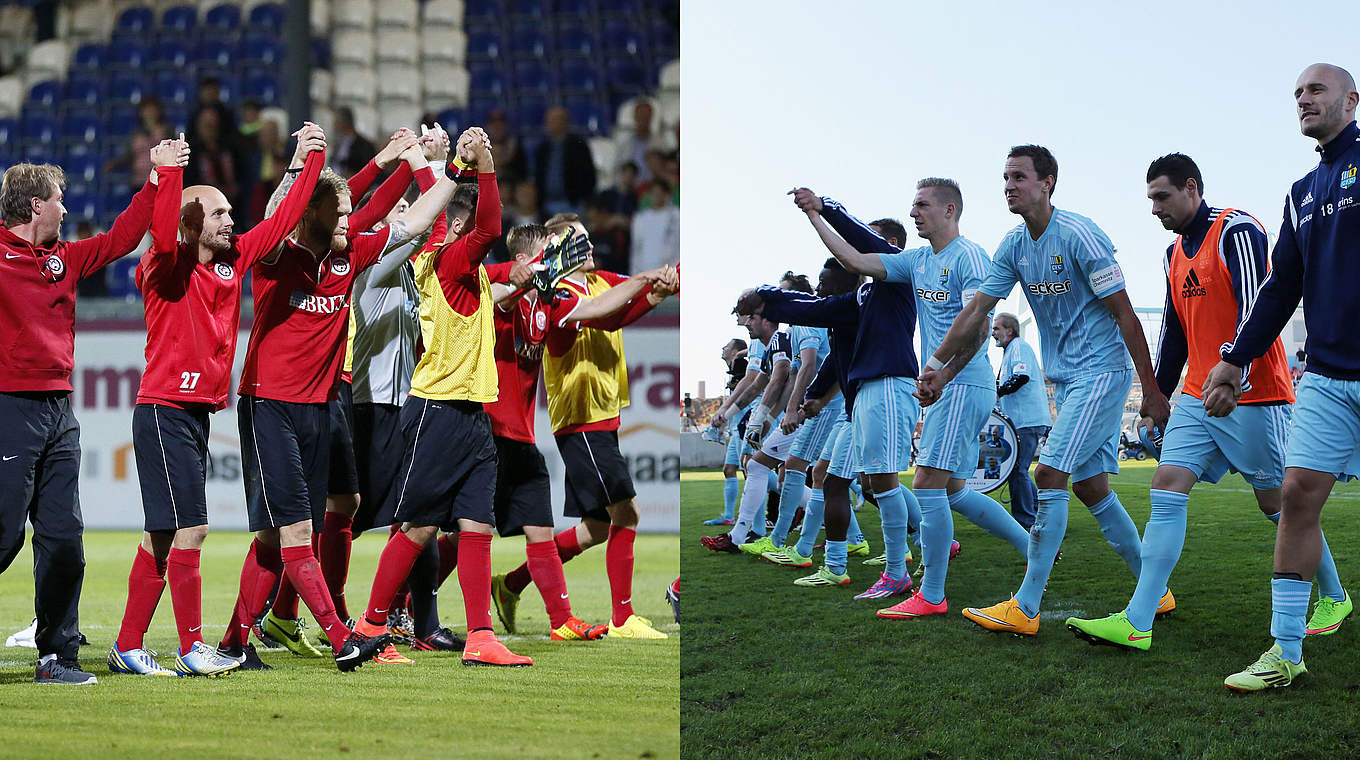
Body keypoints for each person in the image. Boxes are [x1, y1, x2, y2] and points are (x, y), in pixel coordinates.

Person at [1067, 152, 1348, 653]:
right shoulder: (1173, 254)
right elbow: (1174, 331)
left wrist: (1233, 375)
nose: (1154, 208)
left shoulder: (1237, 231)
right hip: (1198, 395)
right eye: (1150, 198)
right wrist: (1158, 393)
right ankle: (1138, 619)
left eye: (1162, 196)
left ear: (1192, 188)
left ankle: (1334, 594)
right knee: (1166, 485)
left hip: (1254, 394)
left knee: (1280, 504)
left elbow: (1257, 305)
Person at [222, 128, 463, 672]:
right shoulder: (276, 259)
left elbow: (414, 222)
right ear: (312, 214)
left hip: (318, 406)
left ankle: (236, 644)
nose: (353, 218)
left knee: (272, 538)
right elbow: (285, 212)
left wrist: (448, 171)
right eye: (341, 209)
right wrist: (305, 160)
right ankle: (341, 636)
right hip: (269, 406)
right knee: (296, 532)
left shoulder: (347, 256)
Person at [916, 144, 1170, 636]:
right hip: (1067, 380)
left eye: (1018, 177)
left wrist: (1155, 392)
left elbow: (1124, 314)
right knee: (1091, 486)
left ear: (1047, 182)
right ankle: (1155, 590)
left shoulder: (1079, 235)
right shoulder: (1012, 245)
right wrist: (936, 364)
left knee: (1048, 473)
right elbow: (974, 313)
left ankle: (1026, 606)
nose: (1009, 186)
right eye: (1005, 178)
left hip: (1101, 371)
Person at [108, 127, 328, 678]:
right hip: (164, 409)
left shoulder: (230, 263)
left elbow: (280, 223)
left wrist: (310, 159)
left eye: (231, 211)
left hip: (194, 412)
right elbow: (161, 234)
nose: (231, 220)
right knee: (192, 528)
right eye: (219, 214)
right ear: (190, 222)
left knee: (161, 533)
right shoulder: (163, 266)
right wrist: (171, 174)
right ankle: (189, 647)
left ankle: (128, 646)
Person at [801, 179, 1032, 616]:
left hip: (963, 383)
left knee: (925, 483)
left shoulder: (969, 257)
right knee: (955, 492)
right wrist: (816, 216)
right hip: (943, 383)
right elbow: (853, 258)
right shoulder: (917, 260)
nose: (913, 214)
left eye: (922, 205)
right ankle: (1032, 546)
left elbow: (979, 326)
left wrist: (944, 372)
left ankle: (932, 594)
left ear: (950, 211)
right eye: (912, 206)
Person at [0, 144, 182, 685]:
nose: (66, 208)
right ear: (36, 206)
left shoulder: (65, 258)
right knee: (4, 538)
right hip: (9, 408)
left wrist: (156, 179)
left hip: (60, 413)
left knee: (64, 542)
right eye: (60, 200)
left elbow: (123, 238)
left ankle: (57, 656)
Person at [1206, 63, 1360, 691]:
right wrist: (1235, 357)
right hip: (1324, 374)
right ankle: (1286, 652)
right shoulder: (1300, 191)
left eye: (1315, 89)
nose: (1303, 99)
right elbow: (1280, 288)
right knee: (1296, 495)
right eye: (1297, 93)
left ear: (1352, 99)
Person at [489, 213, 678, 640]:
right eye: (580, 241)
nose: (590, 247)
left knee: (595, 527)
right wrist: (649, 289)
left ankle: (511, 584)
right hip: (580, 417)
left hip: (605, 415)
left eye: (590, 239)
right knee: (627, 513)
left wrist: (668, 280)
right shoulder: (556, 293)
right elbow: (608, 317)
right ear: (557, 250)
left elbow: (630, 293)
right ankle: (623, 617)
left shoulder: (601, 279)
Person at [749, 192, 924, 594]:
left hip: (887, 386)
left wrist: (823, 209)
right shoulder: (861, 297)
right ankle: (841, 562)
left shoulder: (897, 278)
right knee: (838, 479)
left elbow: (852, 252)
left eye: (868, 238)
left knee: (886, 481)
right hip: (862, 396)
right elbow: (815, 314)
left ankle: (899, 567)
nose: (857, 246)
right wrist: (766, 299)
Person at [992, 313, 1051, 529]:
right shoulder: (1011, 350)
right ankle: (1037, 511)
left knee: (1018, 470)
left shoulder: (1018, 346)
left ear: (1010, 330)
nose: (993, 333)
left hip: (1027, 419)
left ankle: (1026, 519)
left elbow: (1021, 377)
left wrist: (997, 392)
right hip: (1022, 420)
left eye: (997, 328)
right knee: (1018, 470)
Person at [533, 106, 596, 216]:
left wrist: (581, 198)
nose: (554, 123)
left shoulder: (578, 146)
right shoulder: (542, 148)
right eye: (551, 120)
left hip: (573, 204)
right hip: (547, 205)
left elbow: (589, 175)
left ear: (566, 122)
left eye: (558, 119)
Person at [630, 178, 679, 274]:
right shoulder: (640, 218)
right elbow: (636, 247)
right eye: (654, 193)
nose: (657, 196)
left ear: (667, 195)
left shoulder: (676, 216)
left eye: (660, 193)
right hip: (644, 269)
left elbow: (677, 246)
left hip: (668, 270)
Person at [331, 106, 377, 178]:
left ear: (344, 123)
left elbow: (368, 168)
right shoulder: (338, 143)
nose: (334, 125)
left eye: (336, 122)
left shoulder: (364, 145)